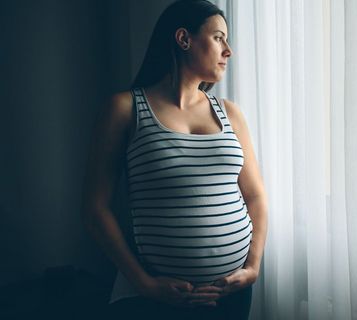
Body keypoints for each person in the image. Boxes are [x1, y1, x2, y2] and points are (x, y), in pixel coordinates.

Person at [80, 0, 268, 319]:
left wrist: (252, 267)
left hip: (232, 292)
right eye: (219, 37)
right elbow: (95, 208)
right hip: (159, 297)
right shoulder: (125, 109)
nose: (229, 51)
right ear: (184, 39)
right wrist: (144, 283)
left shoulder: (230, 112)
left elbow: (255, 195)